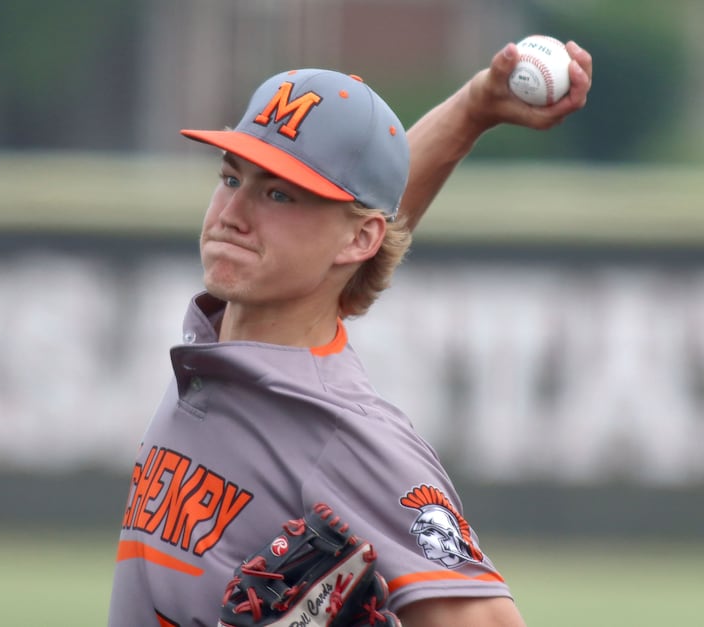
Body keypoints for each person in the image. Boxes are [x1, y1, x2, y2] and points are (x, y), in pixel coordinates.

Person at [107, 40, 593, 627]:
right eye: (232, 177)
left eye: (278, 193)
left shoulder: (343, 435)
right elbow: (351, 225)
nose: (233, 213)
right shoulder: (215, 346)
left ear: (357, 241)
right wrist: (471, 111)